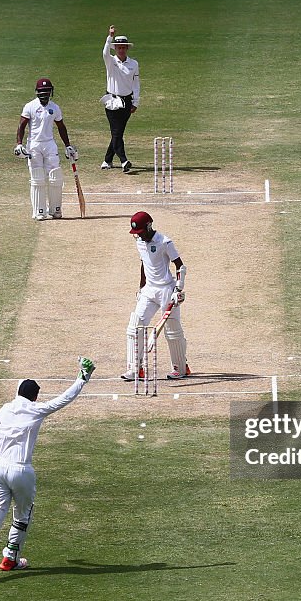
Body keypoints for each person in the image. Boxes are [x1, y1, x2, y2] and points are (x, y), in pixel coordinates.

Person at [0, 357, 95, 571]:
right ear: (35, 397)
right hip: (21, 470)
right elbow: (62, 400)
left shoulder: (5, 409)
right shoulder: (35, 409)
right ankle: (10, 557)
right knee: (22, 516)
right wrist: (82, 379)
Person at [121, 211, 190, 380]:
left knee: (172, 330)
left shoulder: (164, 242)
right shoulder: (139, 242)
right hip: (149, 291)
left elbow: (180, 266)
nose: (139, 236)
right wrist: (141, 288)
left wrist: (178, 289)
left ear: (149, 226)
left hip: (167, 289)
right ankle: (135, 368)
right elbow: (144, 264)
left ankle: (181, 368)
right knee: (135, 326)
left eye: (141, 232)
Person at [15, 78, 78, 221]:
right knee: (37, 178)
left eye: (47, 91)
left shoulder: (54, 108)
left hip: (50, 144)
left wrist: (67, 145)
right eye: (42, 91)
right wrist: (19, 144)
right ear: (37, 92)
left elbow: (61, 127)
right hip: (34, 145)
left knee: (55, 176)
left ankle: (56, 210)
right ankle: (39, 211)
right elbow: (21, 126)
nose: (45, 94)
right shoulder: (30, 106)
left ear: (51, 92)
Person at [101, 25, 140, 173]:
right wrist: (109, 36)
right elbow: (104, 52)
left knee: (117, 133)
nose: (121, 50)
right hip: (112, 101)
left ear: (127, 48)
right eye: (118, 47)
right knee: (117, 133)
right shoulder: (110, 61)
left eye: (123, 47)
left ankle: (107, 160)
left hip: (127, 101)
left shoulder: (134, 64)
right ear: (115, 48)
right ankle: (124, 161)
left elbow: (136, 84)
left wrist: (136, 102)